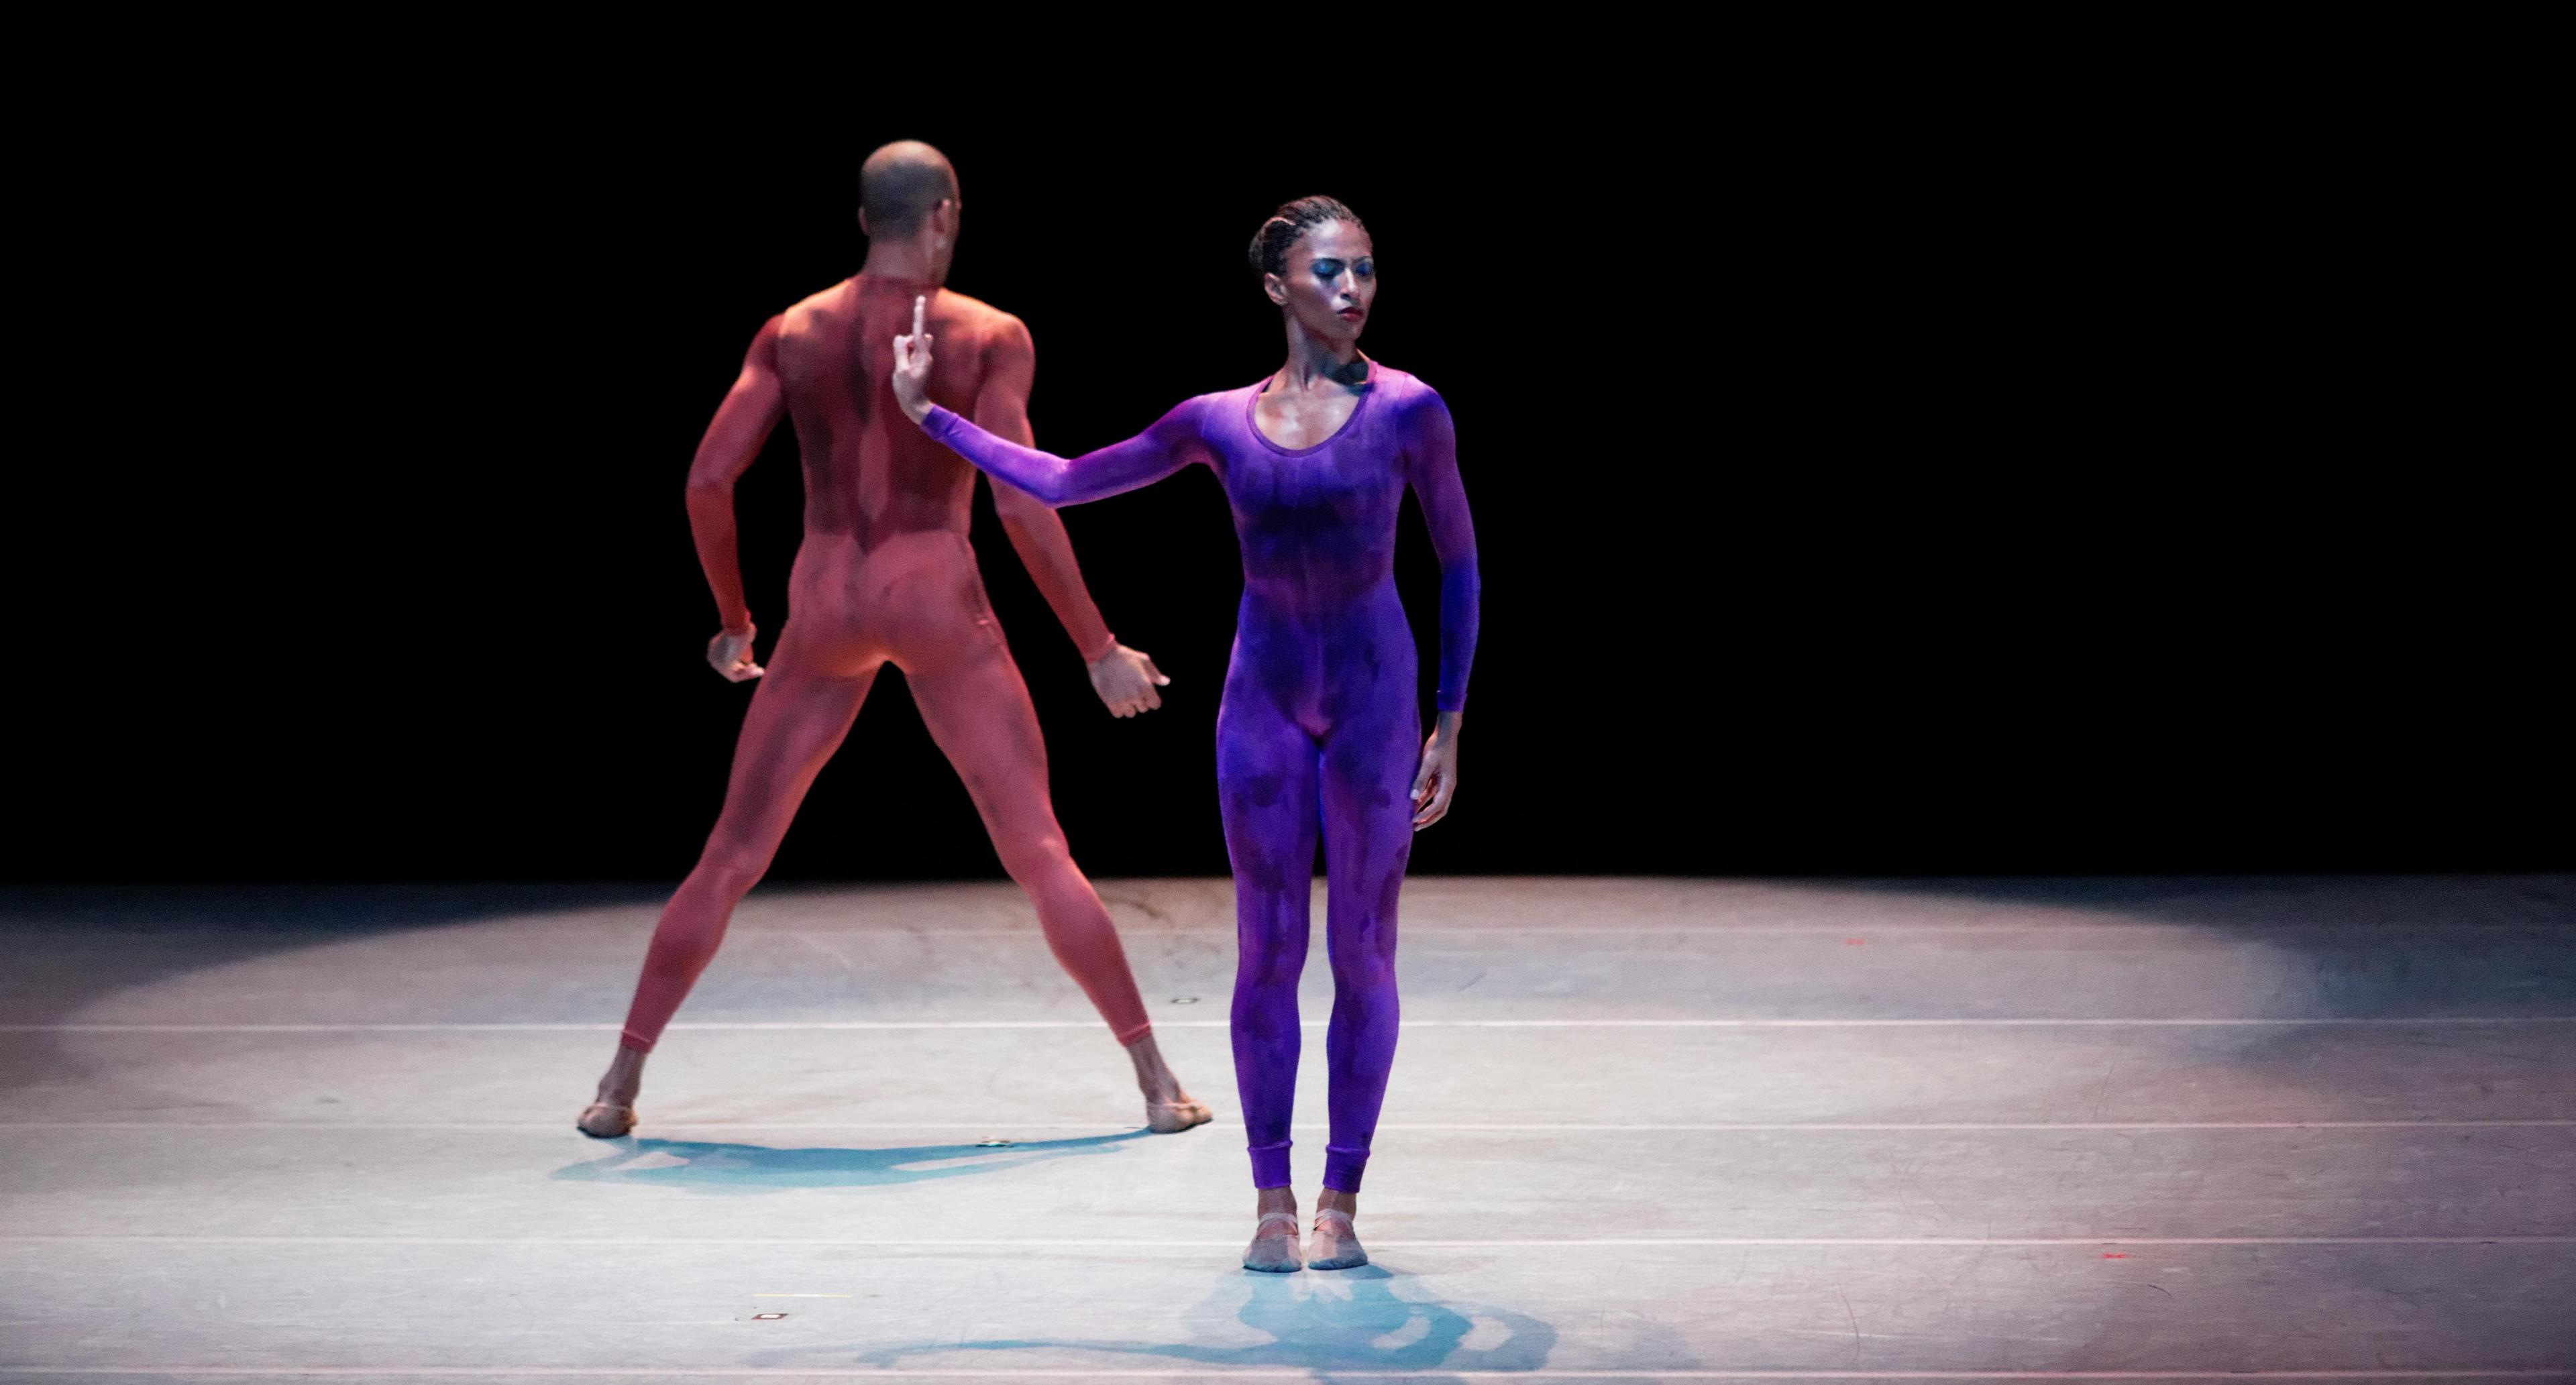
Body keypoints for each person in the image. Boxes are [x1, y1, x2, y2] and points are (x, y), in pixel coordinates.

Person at [888, 196, 1478, 1272]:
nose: (1353, 290)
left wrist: (1449, 717)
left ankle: (1341, 1195)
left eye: (1367, 270)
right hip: (1262, 707)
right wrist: (934, 418)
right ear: (1276, 287)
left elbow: (1461, 562)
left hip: (1375, 704)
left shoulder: (1411, 411)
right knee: (1267, 952)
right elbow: (1068, 479)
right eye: (1330, 271)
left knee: (1362, 951)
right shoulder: (1215, 419)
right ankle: (1269, 1196)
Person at [577, 141, 1210, 1140]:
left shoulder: (792, 329)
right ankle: (1155, 1081)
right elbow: (1020, 494)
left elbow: (706, 481)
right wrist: (1095, 644)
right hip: (932, 592)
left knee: (731, 855)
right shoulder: (989, 334)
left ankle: (617, 1083)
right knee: (1039, 846)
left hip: (825, 596)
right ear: (946, 216)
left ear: (864, 219)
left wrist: (736, 616)